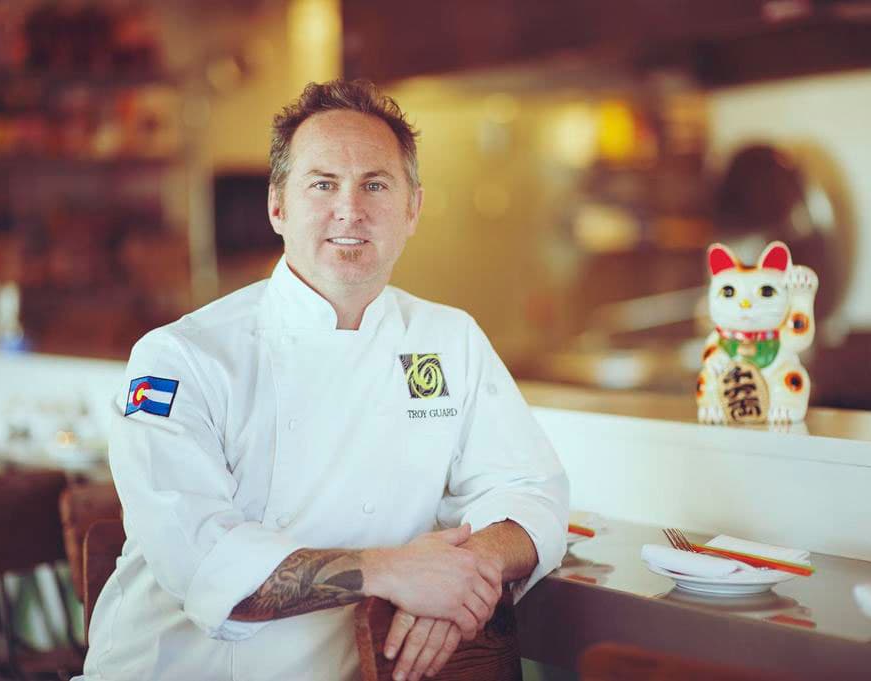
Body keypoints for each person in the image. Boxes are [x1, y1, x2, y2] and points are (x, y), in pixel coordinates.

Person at [79, 79, 569, 681]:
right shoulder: (180, 358)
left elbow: (531, 492)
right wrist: (394, 572)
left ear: (413, 208)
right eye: (322, 184)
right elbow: (203, 564)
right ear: (277, 207)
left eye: (375, 184)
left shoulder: (448, 339)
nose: (350, 209)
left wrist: (463, 576)